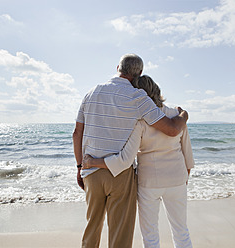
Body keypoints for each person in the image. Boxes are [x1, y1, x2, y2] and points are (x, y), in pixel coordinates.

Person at [72, 54, 189, 248]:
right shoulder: (138, 97)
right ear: (139, 73)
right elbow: (172, 129)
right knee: (120, 233)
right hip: (120, 175)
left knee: (91, 228)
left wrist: (79, 166)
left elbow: (77, 133)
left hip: (91, 170)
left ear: (117, 67)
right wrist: (183, 115)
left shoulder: (91, 92)